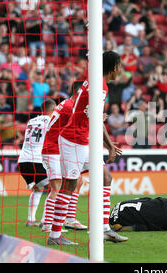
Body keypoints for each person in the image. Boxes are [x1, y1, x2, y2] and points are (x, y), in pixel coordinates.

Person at [48, 51, 126, 245]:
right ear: (114, 67)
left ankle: (104, 229)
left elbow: (95, 119)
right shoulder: (99, 87)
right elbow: (97, 120)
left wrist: (108, 145)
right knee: (70, 185)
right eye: (120, 66)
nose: (120, 70)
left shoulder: (96, 82)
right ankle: (55, 235)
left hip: (84, 140)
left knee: (106, 177)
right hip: (72, 140)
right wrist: (109, 146)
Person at [40, 81, 87, 233]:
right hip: (53, 149)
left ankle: (69, 219)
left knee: (77, 181)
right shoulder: (70, 107)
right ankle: (48, 224)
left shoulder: (66, 104)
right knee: (57, 186)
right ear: (79, 92)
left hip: (56, 148)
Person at [18, 99, 56, 227]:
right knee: (56, 187)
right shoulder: (51, 121)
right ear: (54, 109)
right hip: (37, 161)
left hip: (23, 161)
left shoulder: (31, 121)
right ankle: (46, 220)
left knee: (39, 188)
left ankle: (31, 219)